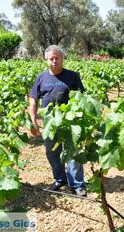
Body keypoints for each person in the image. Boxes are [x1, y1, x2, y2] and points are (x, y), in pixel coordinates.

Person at [28, 45, 87, 196]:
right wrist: (33, 121)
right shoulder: (41, 78)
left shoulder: (72, 76)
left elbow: (82, 98)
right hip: (49, 122)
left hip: (70, 122)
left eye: (57, 58)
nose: (54, 61)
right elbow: (33, 100)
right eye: (51, 59)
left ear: (62, 59)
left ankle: (77, 184)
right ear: (46, 60)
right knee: (52, 152)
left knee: (73, 151)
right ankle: (60, 179)